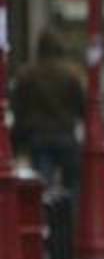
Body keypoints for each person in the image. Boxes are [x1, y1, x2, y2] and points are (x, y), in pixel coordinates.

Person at [11, 31, 86, 195]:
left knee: (42, 186)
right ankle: (67, 216)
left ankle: (46, 217)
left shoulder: (27, 75)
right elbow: (82, 106)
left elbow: (18, 107)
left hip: (38, 135)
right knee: (71, 184)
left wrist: (19, 137)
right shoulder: (71, 75)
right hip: (65, 134)